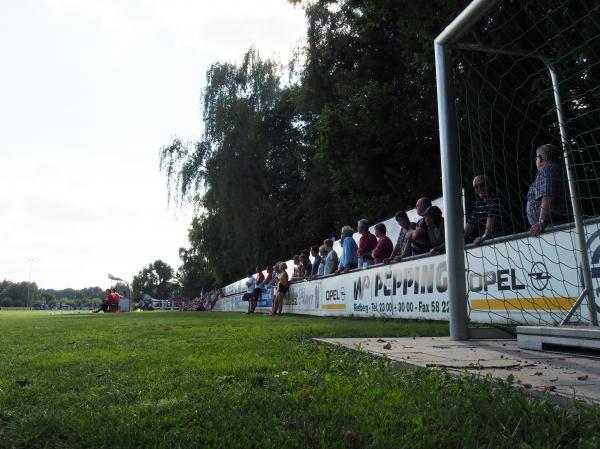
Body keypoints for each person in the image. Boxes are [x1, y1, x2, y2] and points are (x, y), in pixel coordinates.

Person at [527, 144, 568, 237]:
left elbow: (548, 197)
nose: (535, 161)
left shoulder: (547, 169)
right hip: (553, 225)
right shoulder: (558, 169)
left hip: (553, 226)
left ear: (540, 158)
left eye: (536, 158)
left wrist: (541, 221)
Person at [464, 175, 503, 246]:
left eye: (482, 185)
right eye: (476, 187)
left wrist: (485, 236)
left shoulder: (496, 197)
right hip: (495, 242)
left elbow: (492, 216)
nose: (479, 188)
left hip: (509, 238)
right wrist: (459, 239)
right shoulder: (478, 202)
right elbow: (471, 222)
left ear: (488, 184)